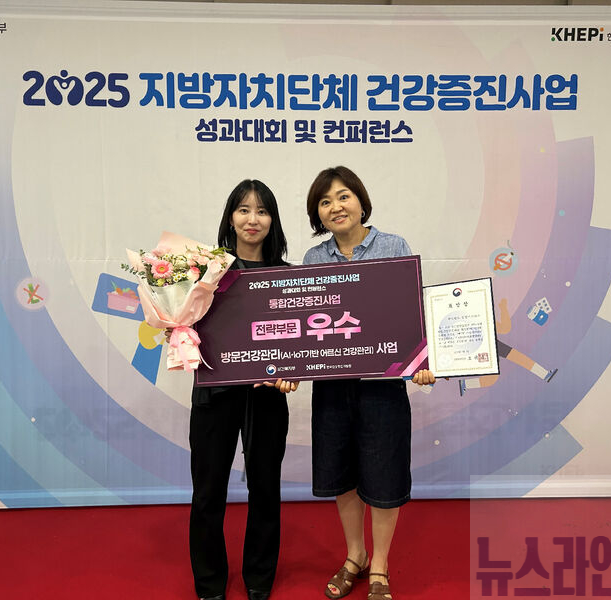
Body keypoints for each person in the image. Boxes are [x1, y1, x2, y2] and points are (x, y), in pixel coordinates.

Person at [302, 166, 435, 600]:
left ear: (361, 201)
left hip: (383, 385)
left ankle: (380, 565)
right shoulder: (313, 260)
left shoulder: (393, 246)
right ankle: (354, 556)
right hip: (332, 386)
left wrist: (422, 361)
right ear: (318, 214)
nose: (335, 207)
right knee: (341, 475)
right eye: (325, 202)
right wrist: (287, 365)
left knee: (383, 474)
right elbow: (304, 326)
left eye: (343, 196)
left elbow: (412, 313)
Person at [186, 179, 298, 600]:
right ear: (230, 218)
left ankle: (259, 579)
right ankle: (209, 584)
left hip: (267, 397)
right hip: (215, 394)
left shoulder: (287, 276)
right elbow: (185, 323)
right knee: (208, 492)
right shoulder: (204, 272)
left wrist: (293, 371)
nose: (253, 219)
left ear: (273, 220)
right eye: (244, 209)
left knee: (266, 489)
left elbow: (297, 342)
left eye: (262, 211)